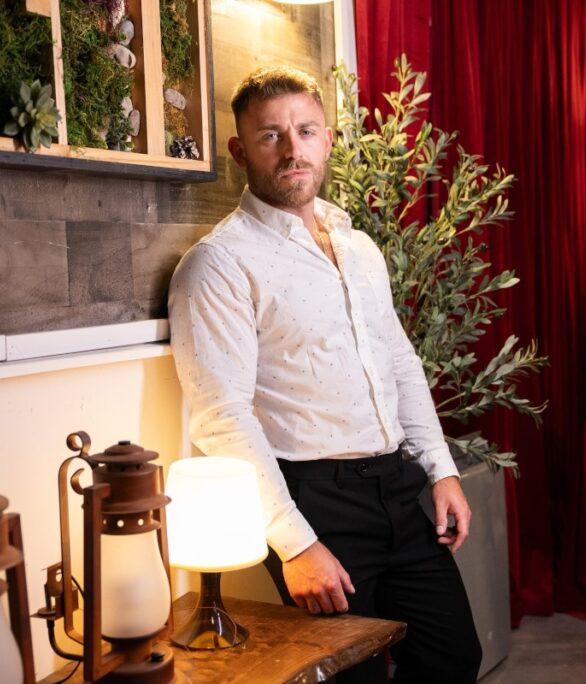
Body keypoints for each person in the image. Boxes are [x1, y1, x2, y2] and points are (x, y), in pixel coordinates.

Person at [167, 65, 482, 683]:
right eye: (270, 136)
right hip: (315, 500)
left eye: (306, 131)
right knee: (350, 678)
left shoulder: (357, 247)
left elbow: (398, 362)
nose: (292, 149)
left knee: (452, 658)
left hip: (396, 486)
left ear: (328, 140)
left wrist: (441, 470)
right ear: (239, 151)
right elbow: (222, 418)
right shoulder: (219, 264)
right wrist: (297, 545)